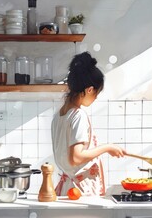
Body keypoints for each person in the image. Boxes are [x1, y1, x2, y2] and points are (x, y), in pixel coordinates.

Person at [51, 51, 126, 196]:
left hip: (68, 188)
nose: (95, 98)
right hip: (81, 191)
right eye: (96, 94)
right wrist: (107, 147)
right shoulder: (77, 115)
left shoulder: (59, 115)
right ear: (89, 89)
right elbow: (76, 158)